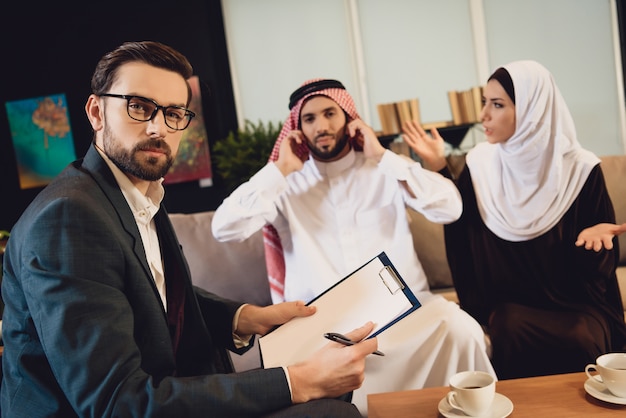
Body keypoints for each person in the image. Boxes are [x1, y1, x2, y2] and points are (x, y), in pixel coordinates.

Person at [0, 41, 378, 418]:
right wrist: (297, 381)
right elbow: (116, 404)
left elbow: (149, 290)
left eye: (174, 113)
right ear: (96, 111)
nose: (158, 127)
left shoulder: (138, 190)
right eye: (139, 107)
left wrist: (242, 316)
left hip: (168, 390)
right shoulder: (67, 219)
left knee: (336, 399)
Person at [212, 78, 495, 414]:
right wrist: (281, 168)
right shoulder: (287, 184)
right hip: (325, 329)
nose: (322, 126)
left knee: (462, 330)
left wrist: (383, 156)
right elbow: (223, 229)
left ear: (349, 117)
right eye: (310, 119)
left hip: (406, 318)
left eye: (330, 113)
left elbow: (451, 208)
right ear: (297, 130)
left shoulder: (383, 169)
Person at [402, 60, 626, 380]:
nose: (483, 116)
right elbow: (461, 231)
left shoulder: (581, 169)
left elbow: (595, 279)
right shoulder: (480, 164)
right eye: (484, 103)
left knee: (581, 337)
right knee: (507, 324)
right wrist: (439, 167)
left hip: (574, 307)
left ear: (533, 110)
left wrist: (594, 246)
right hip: (512, 311)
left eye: (497, 105)